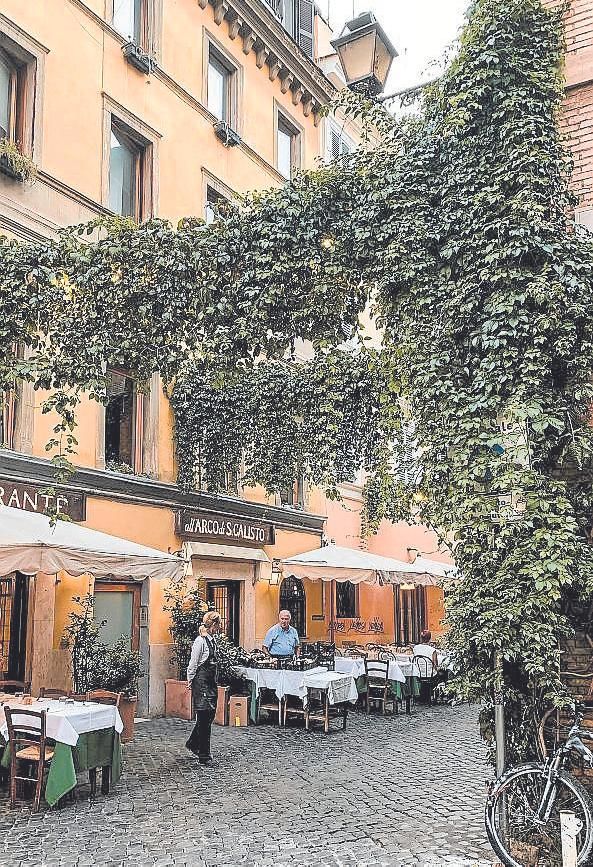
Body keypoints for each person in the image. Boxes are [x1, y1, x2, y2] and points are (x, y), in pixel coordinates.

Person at [186, 610, 221, 766]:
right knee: (204, 718)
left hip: (210, 683)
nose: (219, 628)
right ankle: (204, 755)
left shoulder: (212, 640)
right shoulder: (200, 641)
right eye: (218, 625)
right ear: (213, 624)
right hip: (201, 684)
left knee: (209, 716)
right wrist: (190, 680)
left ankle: (193, 743)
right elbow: (193, 664)